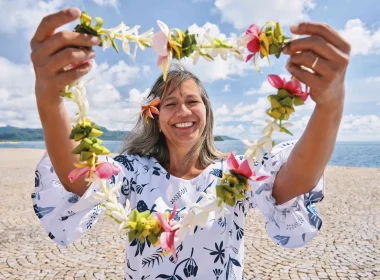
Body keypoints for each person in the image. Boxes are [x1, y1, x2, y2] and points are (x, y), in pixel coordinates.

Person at [31, 7, 350, 280]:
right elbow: (82, 180)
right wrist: (50, 101)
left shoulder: (234, 174)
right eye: (169, 104)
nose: (182, 111)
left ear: (207, 112)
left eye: (192, 101)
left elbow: (290, 185)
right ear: (154, 116)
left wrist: (330, 106)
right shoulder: (132, 170)